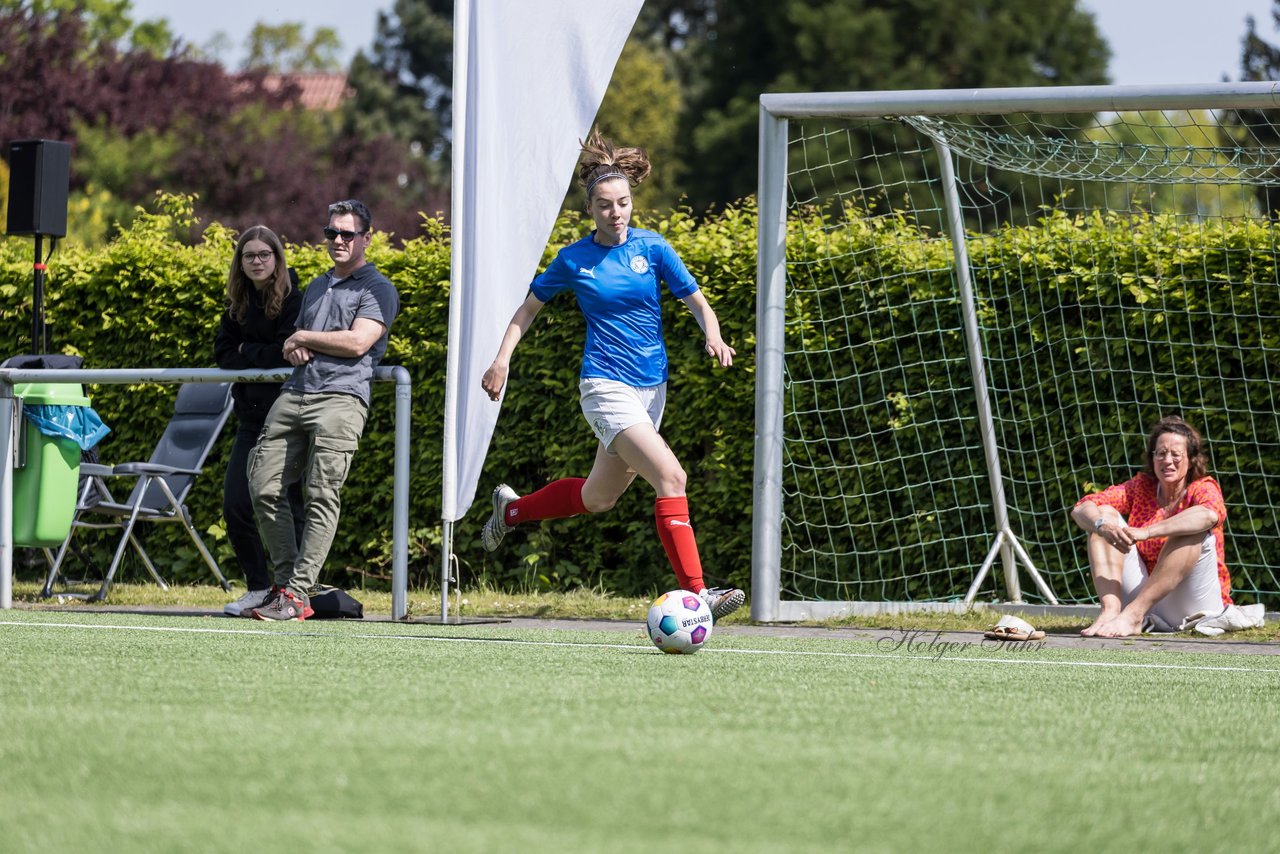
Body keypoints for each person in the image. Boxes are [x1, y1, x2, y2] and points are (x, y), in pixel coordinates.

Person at [479, 131, 745, 620]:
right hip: (604, 386)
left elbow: (698, 302)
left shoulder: (654, 248)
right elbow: (527, 311)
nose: (616, 213)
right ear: (590, 210)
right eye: (605, 205)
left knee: (597, 498)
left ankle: (510, 511)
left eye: (623, 203)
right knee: (671, 476)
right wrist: (502, 360)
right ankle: (698, 593)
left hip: (652, 390)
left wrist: (714, 334)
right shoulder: (574, 259)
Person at [246, 199, 399, 621]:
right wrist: (297, 347)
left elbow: (358, 342)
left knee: (320, 492)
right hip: (295, 394)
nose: (337, 241)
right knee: (262, 484)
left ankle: (296, 595)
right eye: (332, 232)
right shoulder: (315, 285)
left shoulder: (377, 288)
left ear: (366, 238)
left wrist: (304, 337)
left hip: (341, 399)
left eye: (347, 234)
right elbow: (299, 344)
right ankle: (285, 587)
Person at [1071, 415, 1233, 638]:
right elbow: (1081, 507)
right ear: (1152, 457)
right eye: (1161, 453)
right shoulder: (1141, 486)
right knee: (1104, 516)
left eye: (1176, 454)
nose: (1167, 461)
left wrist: (1147, 532)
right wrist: (1101, 525)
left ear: (1191, 459)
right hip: (1144, 599)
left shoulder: (1203, 487)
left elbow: (1208, 515)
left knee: (1190, 531)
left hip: (1191, 604)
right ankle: (1110, 612)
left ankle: (1133, 616)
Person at [214, 225, 304, 617]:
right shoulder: (236, 301)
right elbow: (223, 355)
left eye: (263, 255)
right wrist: (256, 352)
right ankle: (257, 587)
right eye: (248, 256)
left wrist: (246, 349)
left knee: (291, 502)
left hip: (288, 416)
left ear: (277, 258)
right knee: (235, 503)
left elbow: (285, 351)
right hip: (250, 418)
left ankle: (297, 592)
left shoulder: (293, 297)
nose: (256, 261)